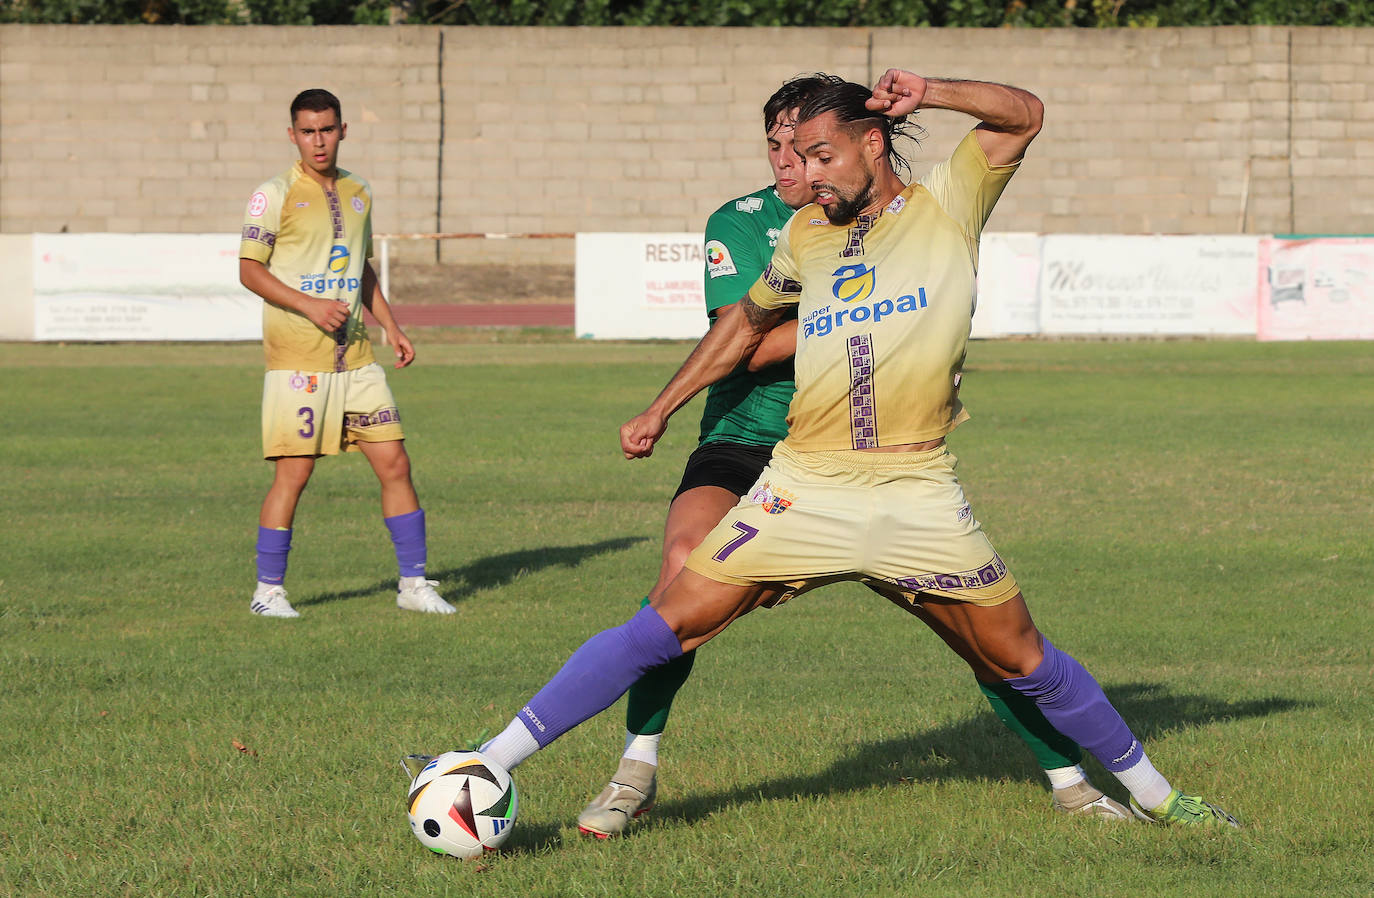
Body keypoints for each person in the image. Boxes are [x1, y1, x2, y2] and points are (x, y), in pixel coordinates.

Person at [465, 70, 1239, 829]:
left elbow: (1023, 114)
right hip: (805, 484)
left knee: (1020, 657)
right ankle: (492, 761)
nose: (806, 174)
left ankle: (1158, 798)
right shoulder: (805, 233)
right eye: (794, 156)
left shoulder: (948, 200)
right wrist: (662, 407)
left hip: (918, 486)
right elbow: (741, 325)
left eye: (821, 155)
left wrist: (930, 90)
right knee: (664, 621)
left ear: (873, 142)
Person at [238, 88, 453, 618]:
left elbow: (361, 268)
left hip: (356, 359)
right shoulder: (274, 193)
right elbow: (249, 270)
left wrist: (392, 326)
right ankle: (268, 593)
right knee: (294, 474)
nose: (318, 140)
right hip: (297, 362)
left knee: (395, 463)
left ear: (342, 130)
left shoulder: (359, 191)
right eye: (308, 131)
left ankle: (413, 584)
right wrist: (309, 306)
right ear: (293, 135)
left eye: (327, 129)